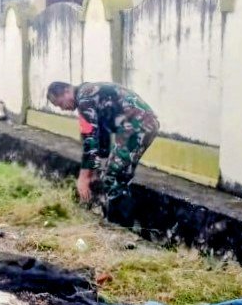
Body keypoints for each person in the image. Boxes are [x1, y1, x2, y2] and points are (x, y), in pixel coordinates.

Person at [47, 81, 159, 224]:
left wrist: (83, 178)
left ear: (66, 92)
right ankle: (123, 221)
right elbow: (101, 136)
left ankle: (117, 225)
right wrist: (94, 171)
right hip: (139, 124)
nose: (63, 109)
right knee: (119, 175)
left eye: (60, 104)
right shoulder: (88, 93)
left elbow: (90, 140)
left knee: (113, 177)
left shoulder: (84, 99)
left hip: (138, 125)